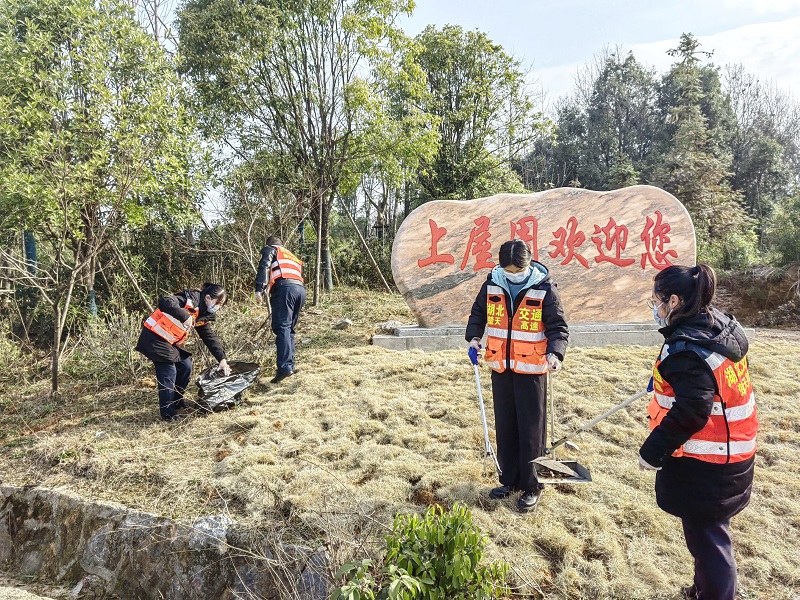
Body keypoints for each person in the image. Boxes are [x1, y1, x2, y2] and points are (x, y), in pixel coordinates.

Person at [639, 264, 758, 600]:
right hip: (733, 450)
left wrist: (652, 451)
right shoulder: (717, 326)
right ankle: (702, 589)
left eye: (656, 300)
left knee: (709, 542)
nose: (654, 307)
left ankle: (717, 593)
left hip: (709, 460)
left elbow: (692, 411)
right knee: (707, 535)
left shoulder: (687, 351)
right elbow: (706, 387)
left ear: (674, 301)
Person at [465, 239, 569, 512]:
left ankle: (532, 485)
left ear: (528, 264)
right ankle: (509, 480)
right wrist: (474, 338)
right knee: (507, 425)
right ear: (500, 266)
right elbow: (479, 313)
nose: (513, 275)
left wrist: (555, 354)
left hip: (532, 370)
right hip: (501, 367)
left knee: (531, 429)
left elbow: (558, 327)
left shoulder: (544, 286)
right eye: (508, 270)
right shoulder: (492, 283)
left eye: (517, 270)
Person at [135, 283, 231, 421]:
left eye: (221, 305)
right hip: (153, 338)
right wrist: (184, 316)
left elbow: (209, 337)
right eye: (218, 303)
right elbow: (165, 301)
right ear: (208, 298)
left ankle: (177, 402)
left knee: (186, 367)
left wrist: (222, 359)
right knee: (169, 372)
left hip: (169, 342)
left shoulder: (203, 314)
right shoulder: (190, 299)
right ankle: (168, 414)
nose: (218, 307)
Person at [254, 236, 307, 383]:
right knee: (289, 329)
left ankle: (284, 368)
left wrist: (259, 288)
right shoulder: (292, 256)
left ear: (269, 244)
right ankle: (289, 365)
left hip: (285, 289)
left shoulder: (271, 249)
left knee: (282, 326)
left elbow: (264, 265)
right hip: (300, 290)